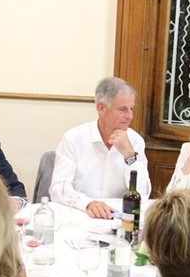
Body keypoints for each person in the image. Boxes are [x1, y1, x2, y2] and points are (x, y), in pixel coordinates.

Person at [49, 77, 152, 219]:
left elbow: (143, 194)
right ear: (101, 108)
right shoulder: (74, 139)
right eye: (123, 109)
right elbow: (58, 188)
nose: (130, 116)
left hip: (118, 217)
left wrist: (130, 156)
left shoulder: (135, 141)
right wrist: (88, 203)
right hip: (81, 215)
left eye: (131, 109)